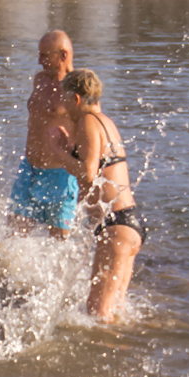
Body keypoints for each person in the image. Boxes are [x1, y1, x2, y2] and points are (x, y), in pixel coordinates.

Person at [57, 68, 145, 321]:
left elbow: (88, 174)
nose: (62, 106)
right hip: (128, 223)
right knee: (114, 312)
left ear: (75, 99)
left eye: (64, 99)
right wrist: (69, 150)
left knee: (98, 313)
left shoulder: (87, 121)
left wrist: (59, 153)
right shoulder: (105, 122)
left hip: (116, 227)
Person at [9, 30, 79, 238]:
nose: (39, 61)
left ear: (63, 55)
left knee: (58, 246)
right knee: (12, 239)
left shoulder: (77, 90)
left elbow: (94, 131)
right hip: (29, 169)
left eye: (45, 56)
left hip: (60, 174)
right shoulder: (39, 80)